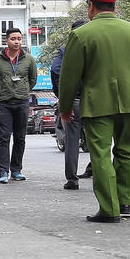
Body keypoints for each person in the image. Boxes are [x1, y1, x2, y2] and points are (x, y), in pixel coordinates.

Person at [58, 0, 130, 222]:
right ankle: (125, 203)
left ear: (91, 7)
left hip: (97, 104)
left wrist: (64, 108)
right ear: (114, 6)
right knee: (126, 150)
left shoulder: (81, 34)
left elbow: (69, 76)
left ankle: (109, 209)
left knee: (101, 154)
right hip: (129, 102)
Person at [0, 27, 38, 183]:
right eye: (13, 39)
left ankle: (16, 170)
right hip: (5, 104)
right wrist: (4, 92)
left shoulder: (28, 59)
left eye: (19, 38)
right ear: (6, 41)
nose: (16, 41)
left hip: (22, 103)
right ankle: (3, 171)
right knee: (3, 138)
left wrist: (22, 91)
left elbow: (32, 79)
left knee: (20, 138)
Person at [51, 19, 91, 190]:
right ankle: (98, 170)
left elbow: (55, 70)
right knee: (97, 139)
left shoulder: (65, 50)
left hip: (74, 100)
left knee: (72, 140)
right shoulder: (95, 48)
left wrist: (62, 95)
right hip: (94, 100)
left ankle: (72, 179)